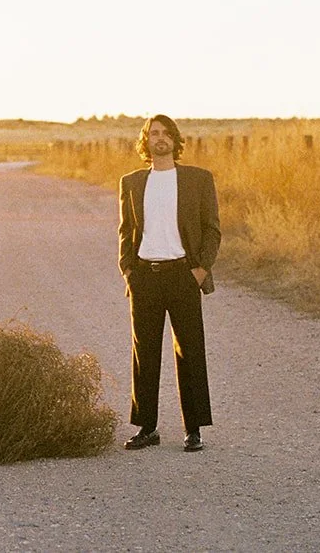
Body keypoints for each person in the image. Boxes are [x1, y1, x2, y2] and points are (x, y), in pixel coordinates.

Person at [117, 114, 221, 453]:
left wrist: (201, 269)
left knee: (190, 352)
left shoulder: (198, 179)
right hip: (145, 276)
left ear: (175, 141)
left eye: (165, 133)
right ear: (145, 141)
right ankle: (147, 427)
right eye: (153, 133)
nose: (159, 138)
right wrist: (128, 271)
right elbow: (125, 232)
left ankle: (194, 430)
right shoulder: (131, 182)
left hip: (183, 275)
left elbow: (212, 229)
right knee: (144, 354)